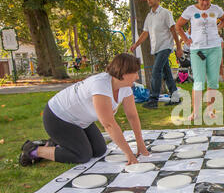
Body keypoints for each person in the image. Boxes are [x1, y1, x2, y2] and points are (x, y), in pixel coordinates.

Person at [19, 53, 150, 166]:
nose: (137, 77)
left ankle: (56, 143)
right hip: (58, 117)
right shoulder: (101, 85)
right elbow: (109, 124)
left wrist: (140, 143)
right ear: (124, 73)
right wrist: (129, 154)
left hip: (81, 120)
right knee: (82, 156)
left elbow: (132, 115)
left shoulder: (125, 86)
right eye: (135, 73)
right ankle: (33, 150)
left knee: (99, 150)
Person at [175, 0, 224, 120]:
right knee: (198, 81)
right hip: (197, 49)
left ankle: (210, 111)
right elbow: (178, 26)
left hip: (214, 48)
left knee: (212, 81)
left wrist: (218, 28)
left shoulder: (216, 9)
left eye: (208, 0)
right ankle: (195, 112)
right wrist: (186, 39)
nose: (205, 3)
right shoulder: (190, 10)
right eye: (202, 0)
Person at [130, 0, 182, 109]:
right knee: (167, 74)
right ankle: (175, 98)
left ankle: (153, 100)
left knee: (156, 72)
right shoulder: (149, 16)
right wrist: (136, 44)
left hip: (165, 46)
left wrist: (178, 47)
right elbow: (145, 33)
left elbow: (173, 30)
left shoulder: (165, 13)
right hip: (156, 48)